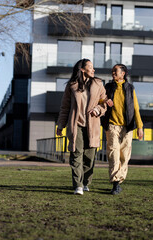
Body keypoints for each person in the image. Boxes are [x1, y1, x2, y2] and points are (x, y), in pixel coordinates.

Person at [56, 58, 113, 195]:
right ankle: (78, 186)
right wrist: (60, 125)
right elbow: (65, 107)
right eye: (90, 67)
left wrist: (98, 110)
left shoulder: (98, 84)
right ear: (82, 69)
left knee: (89, 157)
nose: (93, 70)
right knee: (76, 155)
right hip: (76, 126)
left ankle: (86, 182)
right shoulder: (72, 86)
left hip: (92, 126)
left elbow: (104, 103)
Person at [101, 64, 143, 195]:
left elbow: (135, 107)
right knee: (113, 153)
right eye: (112, 70)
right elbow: (99, 99)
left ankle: (119, 180)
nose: (113, 72)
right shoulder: (108, 87)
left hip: (127, 126)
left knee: (124, 156)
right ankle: (115, 183)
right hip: (112, 125)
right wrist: (105, 100)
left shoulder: (130, 88)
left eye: (116, 71)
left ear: (123, 73)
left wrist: (140, 127)